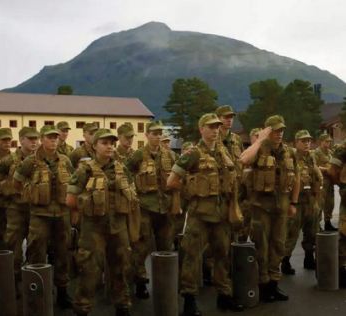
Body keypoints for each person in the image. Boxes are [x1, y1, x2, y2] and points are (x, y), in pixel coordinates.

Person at [167, 113, 244, 316]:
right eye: (210, 127)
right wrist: (192, 192)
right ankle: (189, 300)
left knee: (222, 255)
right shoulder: (193, 153)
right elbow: (172, 181)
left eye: (217, 127)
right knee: (191, 257)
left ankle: (224, 295)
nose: (215, 130)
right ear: (201, 129)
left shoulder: (224, 153)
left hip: (221, 215)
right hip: (199, 215)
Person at [66, 128, 134, 316]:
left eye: (112, 143)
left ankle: (122, 305)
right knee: (89, 270)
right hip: (93, 228)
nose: (109, 147)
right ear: (94, 145)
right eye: (104, 143)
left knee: (121, 266)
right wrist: (88, 203)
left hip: (118, 226)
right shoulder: (84, 170)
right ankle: (82, 308)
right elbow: (70, 200)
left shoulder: (122, 168)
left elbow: (132, 195)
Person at [240, 115, 300, 302]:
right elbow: (243, 159)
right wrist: (259, 140)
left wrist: (293, 203)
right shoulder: (259, 149)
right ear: (267, 131)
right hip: (261, 207)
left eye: (281, 130)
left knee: (278, 245)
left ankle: (274, 283)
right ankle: (263, 284)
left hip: (281, 206)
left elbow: (296, 178)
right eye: (275, 130)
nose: (279, 133)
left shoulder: (289, 152)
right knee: (262, 246)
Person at [13, 125, 73, 309]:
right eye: (49, 137)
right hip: (40, 215)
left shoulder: (65, 160)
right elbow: (17, 182)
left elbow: (72, 183)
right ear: (42, 139)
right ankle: (38, 291)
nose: (54, 140)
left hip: (62, 214)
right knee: (36, 252)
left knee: (63, 253)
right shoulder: (30, 162)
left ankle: (62, 292)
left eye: (55, 137)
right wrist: (30, 195)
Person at [126, 120, 176, 299]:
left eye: (159, 133)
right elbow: (125, 173)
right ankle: (140, 281)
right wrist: (132, 192)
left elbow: (176, 176)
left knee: (165, 245)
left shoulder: (169, 155)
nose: (157, 136)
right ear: (147, 135)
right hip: (145, 206)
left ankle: (165, 282)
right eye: (154, 133)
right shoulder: (138, 155)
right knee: (142, 245)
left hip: (165, 207)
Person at [0, 127, 39, 289]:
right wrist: (13, 187)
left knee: (36, 249)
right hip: (15, 209)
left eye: (36, 139)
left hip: (37, 211)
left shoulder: (42, 160)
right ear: (21, 140)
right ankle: (12, 286)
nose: (34, 142)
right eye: (30, 139)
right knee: (14, 248)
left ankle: (34, 283)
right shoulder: (8, 161)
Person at [282, 130, 323, 275]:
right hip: (297, 202)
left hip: (311, 201)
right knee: (291, 233)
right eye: (303, 141)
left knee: (312, 232)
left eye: (309, 141)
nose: (307, 144)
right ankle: (285, 260)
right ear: (296, 142)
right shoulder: (290, 157)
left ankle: (308, 258)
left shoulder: (311, 156)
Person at [328, 141, 346, 287]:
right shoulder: (343, 147)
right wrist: (342, 186)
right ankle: (342, 268)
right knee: (345, 231)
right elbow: (333, 171)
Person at [313, 132, 337, 231]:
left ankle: (328, 222)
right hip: (321, 182)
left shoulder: (330, 153)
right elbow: (314, 166)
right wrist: (326, 169)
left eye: (330, 142)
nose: (328, 144)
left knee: (330, 203)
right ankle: (317, 225)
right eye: (326, 141)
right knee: (320, 203)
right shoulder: (316, 153)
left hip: (330, 181)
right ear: (321, 142)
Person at [0, 127, 13, 249]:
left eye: (9, 140)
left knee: (7, 236)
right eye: (3, 140)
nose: (7, 143)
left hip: (10, 203)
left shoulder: (14, 159)